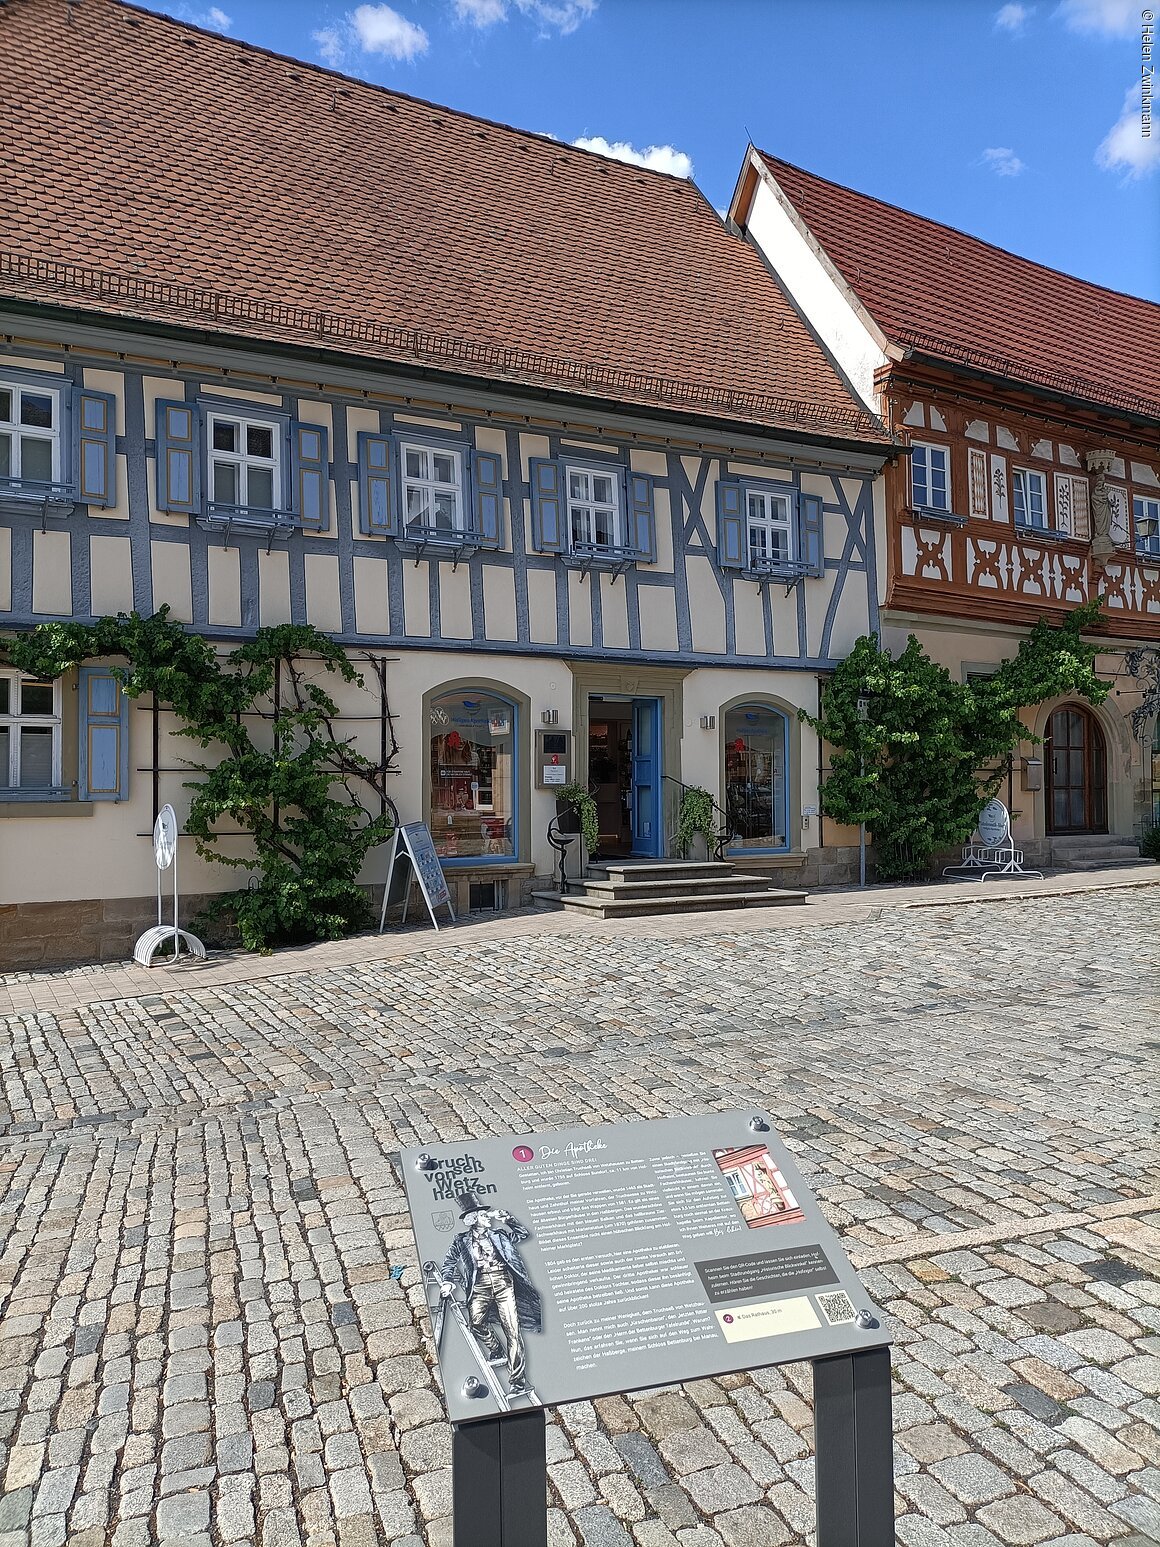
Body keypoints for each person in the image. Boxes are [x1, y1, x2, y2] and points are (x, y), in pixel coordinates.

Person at [440, 1191, 541, 1397]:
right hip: (480, 1286)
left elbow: (523, 1234)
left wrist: (510, 1220)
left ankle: (518, 1381)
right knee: (476, 1323)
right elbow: (449, 1262)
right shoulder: (461, 1240)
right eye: (484, 1216)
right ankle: (495, 1347)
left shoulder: (500, 1235)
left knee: (512, 1331)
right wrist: (448, 1281)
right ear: (474, 1219)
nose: (489, 1218)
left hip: (504, 1283)